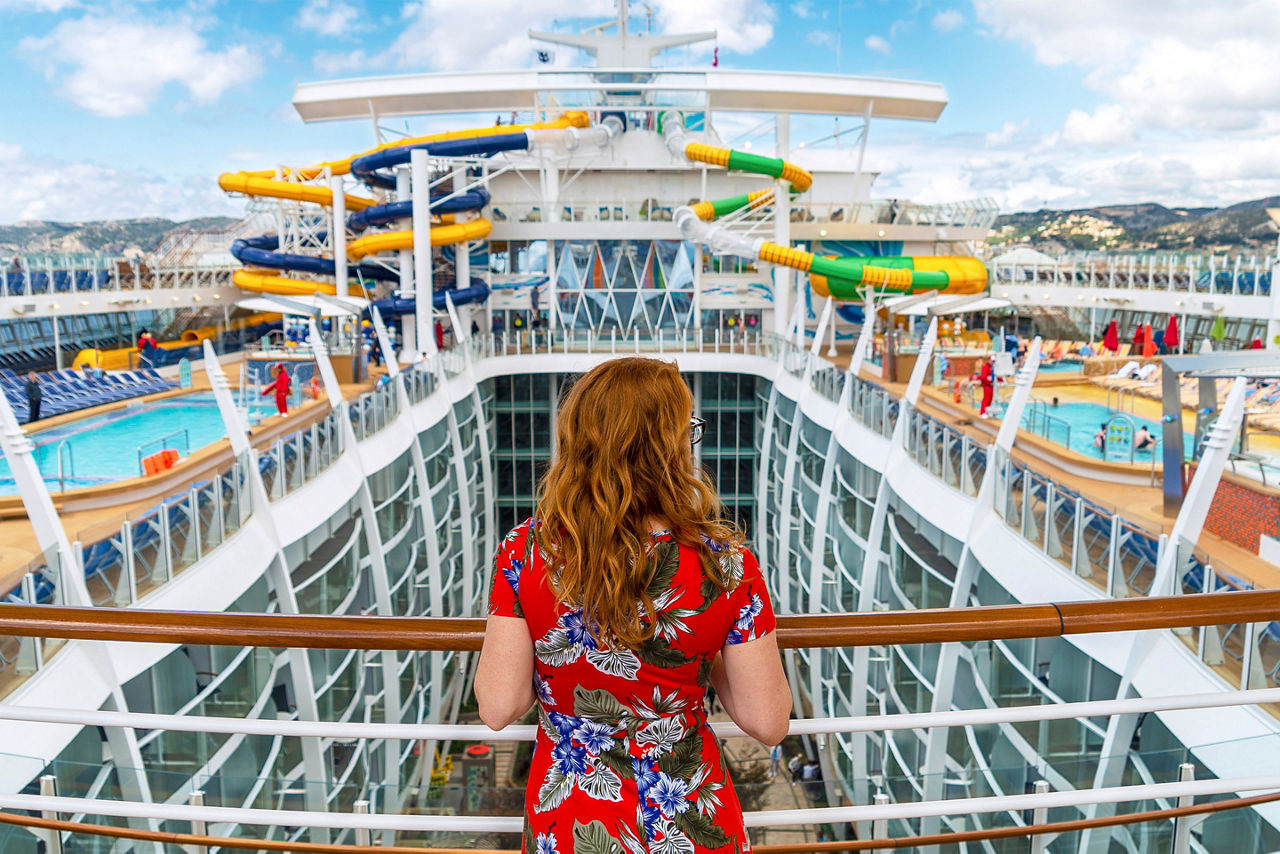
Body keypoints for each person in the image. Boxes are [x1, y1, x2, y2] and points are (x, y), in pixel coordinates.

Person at [474, 357, 791, 854]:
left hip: (573, 822)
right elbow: (768, 722)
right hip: (688, 818)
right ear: (670, 447)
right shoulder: (727, 566)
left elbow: (498, 707)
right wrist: (698, 658)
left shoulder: (527, 551)